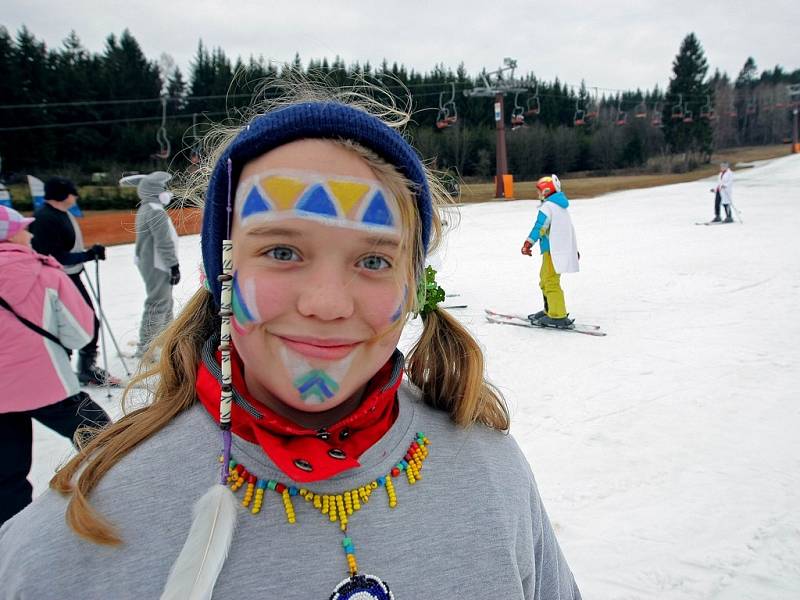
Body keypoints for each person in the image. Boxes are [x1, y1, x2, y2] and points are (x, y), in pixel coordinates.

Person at [0, 89, 582, 599]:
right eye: (282, 252)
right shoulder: (80, 529)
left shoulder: (491, 472)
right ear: (221, 269)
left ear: (412, 286)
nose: (326, 303)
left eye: (374, 260)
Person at [0, 206, 111, 527]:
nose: (30, 233)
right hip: (49, 384)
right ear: (9, 235)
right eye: (23, 228)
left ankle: (12, 539)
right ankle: (123, 498)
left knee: (6, 478)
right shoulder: (44, 273)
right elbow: (80, 334)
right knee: (108, 442)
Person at [29, 177, 119, 386]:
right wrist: (88, 255)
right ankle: (70, 371)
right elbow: (53, 256)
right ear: (62, 194)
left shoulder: (59, 214)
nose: (75, 196)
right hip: (57, 280)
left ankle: (84, 366)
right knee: (74, 322)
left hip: (69, 276)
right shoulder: (45, 219)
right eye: (72, 192)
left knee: (87, 319)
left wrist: (87, 254)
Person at [130, 171, 180, 358]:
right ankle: (146, 348)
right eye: (163, 189)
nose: (167, 193)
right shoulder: (155, 212)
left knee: (165, 303)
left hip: (150, 262)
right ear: (156, 192)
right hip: (158, 264)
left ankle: (167, 340)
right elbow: (163, 242)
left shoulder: (146, 208)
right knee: (158, 304)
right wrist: (173, 265)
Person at [521, 174, 580, 329]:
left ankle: (558, 315)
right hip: (555, 250)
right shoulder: (560, 207)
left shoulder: (548, 207)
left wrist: (528, 243)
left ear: (547, 191)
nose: (538, 194)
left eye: (540, 191)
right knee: (545, 278)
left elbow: (540, 226)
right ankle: (550, 309)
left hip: (553, 251)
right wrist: (573, 249)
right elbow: (569, 230)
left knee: (550, 281)